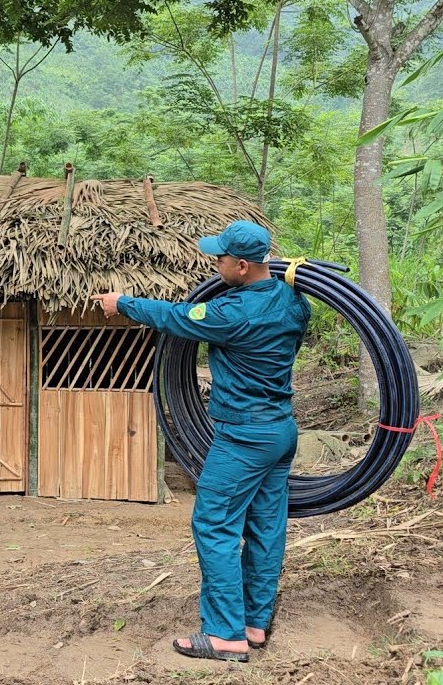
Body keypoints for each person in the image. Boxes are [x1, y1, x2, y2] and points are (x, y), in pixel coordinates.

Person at [91, 220, 311, 663]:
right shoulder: (293, 301)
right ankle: (253, 623)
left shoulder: (232, 315)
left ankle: (225, 634)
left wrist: (123, 303)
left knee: (214, 525)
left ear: (243, 265)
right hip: (280, 430)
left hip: (244, 436)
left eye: (221, 258)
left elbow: (176, 317)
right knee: (266, 527)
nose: (215, 263)